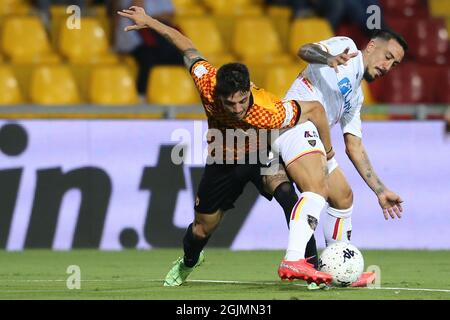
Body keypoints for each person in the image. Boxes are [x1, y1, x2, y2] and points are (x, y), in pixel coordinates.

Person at [118, 6, 335, 286]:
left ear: (248, 92)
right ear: (218, 94)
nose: (236, 109)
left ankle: (311, 269)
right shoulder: (206, 81)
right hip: (223, 160)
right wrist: (149, 22)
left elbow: (316, 110)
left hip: (261, 154)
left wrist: (328, 153)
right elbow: (186, 45)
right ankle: (189, 262)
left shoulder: (270, 109)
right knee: (201, 229)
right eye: (229, 102)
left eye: (242, 101)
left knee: (289, 198)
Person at [285, 30, 406, 286]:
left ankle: (339, 271)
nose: (387, 67)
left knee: (343, 197)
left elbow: (355, 146)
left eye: (394, 64)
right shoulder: (346, 48)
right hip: (295, 122)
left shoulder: (356, 97)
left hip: (316, 139)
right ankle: (293, 259)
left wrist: (380, 191)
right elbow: (304, 49)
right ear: (371, 46)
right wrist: (327, 59)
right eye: (387, 57)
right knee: (317, 188)